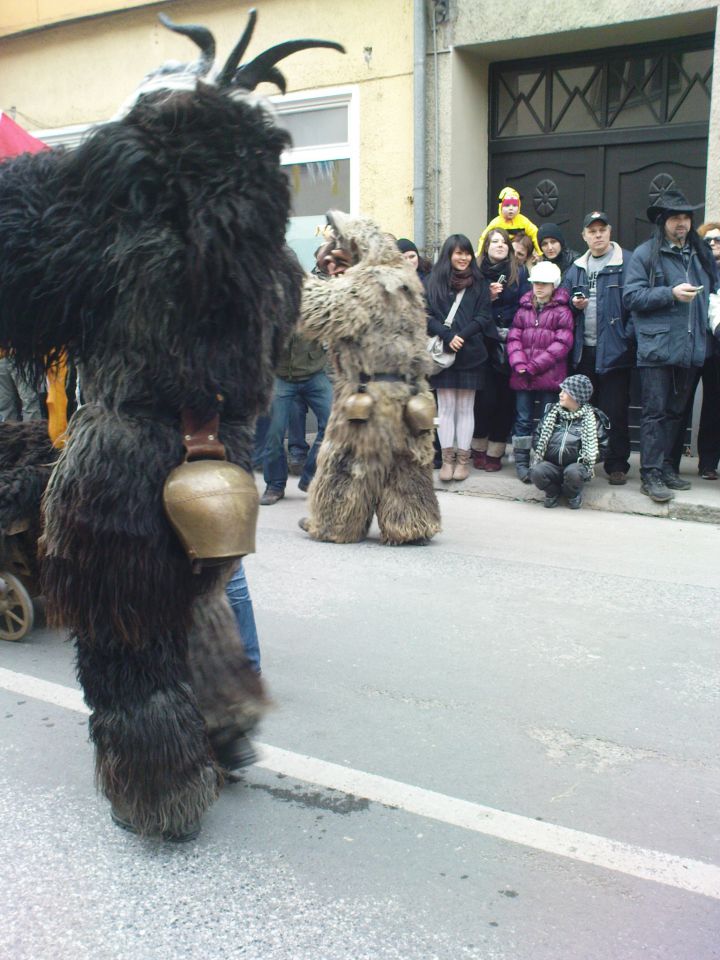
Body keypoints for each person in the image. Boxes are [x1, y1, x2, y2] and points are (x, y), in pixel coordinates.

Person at [623, 188, 715, 503]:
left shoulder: (700, 254)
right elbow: (631, 297)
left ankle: (665, 468)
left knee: (676, 413)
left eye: (686, 217)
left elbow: (711, 297)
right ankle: (650, 475)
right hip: (657, 348)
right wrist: (670, 293)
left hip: (689, 347)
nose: (682, 223)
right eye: (675, 217)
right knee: (655, 413)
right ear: (663, 221)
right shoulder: (646, 253)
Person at [562, 211, 635, 484]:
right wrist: (574, 304)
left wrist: (626, 339)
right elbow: (564, 303)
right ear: (584, 236)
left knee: (615, 410)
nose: (597, 235)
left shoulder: (626, 261)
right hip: (585, 352)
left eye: (602, 229)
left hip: (616, 351)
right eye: (592, 231)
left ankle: (617, 464)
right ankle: (586, 462)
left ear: (610, 231)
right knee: (584, 412)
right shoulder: (576, 268)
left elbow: (635, 304)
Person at [426, 233, 493, 481]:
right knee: (445, 408)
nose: (463, 257)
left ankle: (463, 461)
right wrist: (446, 335)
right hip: (443, 355)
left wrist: (461, 336)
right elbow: (425, 315)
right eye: (458, 253)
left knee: (465, 408)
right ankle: (447, 460)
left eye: (467, 253)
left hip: (471, 353)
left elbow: (484, 316)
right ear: (449, 254)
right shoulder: (433, 281)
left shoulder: (479, 282)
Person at [507, 260, 574, 481]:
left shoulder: (563, 311)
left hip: (548, 376)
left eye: (544, 283)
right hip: (523, 375)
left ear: (554, 285)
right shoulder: (523, 308)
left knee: (547, 420)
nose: (539, 287)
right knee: (523, 419)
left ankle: (541, 461)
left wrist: (534, 366)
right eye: (536, 282)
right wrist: (519, 364)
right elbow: (514, 338)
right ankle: (522, 462)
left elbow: (561, 345)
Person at [473, 227, 530, 470]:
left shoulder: (519, 271)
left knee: (505, 400)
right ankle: (478, 448)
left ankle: (495, 452)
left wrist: (512, 326)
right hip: (483, 342)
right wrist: (488, 298)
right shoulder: (475, 273)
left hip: (511, 342)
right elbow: (468, 307)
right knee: (484, 399)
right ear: (486, 246)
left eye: (504, 242)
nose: (499, 245)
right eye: (494, 241)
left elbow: (526, 303)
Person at [260, 323, 333, 505]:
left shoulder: (314, 300)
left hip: (314, 375)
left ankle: (310, 478)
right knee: (273, 433)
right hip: (282, 378)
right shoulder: (276, 304)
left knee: (333, 423)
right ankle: (275, 485)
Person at [529, 374, 608, 509]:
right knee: (536, 471)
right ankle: (553, 493)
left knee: (573, 473)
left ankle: (571, 494)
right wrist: (546, 454)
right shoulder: (552, 414)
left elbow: (603, 447)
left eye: (565, 392)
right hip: (552, 465)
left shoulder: (592, 419)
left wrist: (585, 458)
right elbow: (537, 436)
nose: (560, 394)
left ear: (576, 396)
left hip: (575, 467)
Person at [682, 222, 720, 479]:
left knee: (715, 405)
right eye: (709, 241)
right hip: (693, 343)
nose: (714, 245)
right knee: (680, 403)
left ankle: (708, 462)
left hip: (717, 349)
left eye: (718, 240)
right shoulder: (695, 267)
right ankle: (669, 461)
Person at [477, 186, 541, 256]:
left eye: (514, 205)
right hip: (502, 255)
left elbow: (535, 234)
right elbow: (484, 238)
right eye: (507, 205)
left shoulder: (523, 221)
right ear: (501, 206)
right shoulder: (496, 223)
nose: (511, 208)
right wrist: (480, 255)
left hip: (518, 254)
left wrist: (540, 253)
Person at [0, 354, 43, 421]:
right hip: (2, 357)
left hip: (21, 354)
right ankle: (8, 431)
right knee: (4, 405)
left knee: (29, 401)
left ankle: (32, 430)